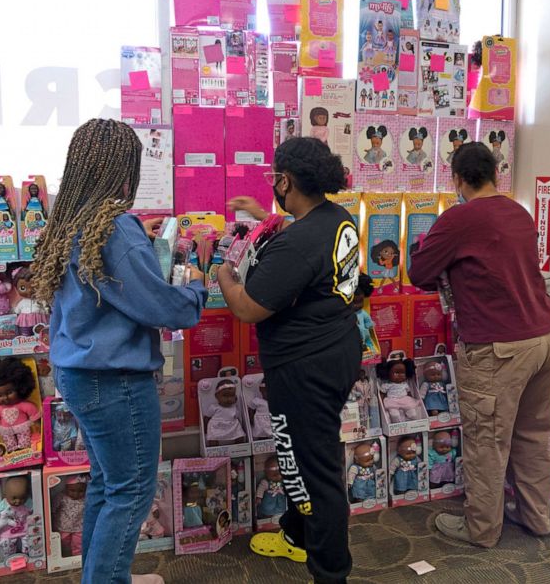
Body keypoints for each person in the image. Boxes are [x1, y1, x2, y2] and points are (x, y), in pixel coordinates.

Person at [32, 118, 207, 584]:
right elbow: (161, 306)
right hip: (114, 380)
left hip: (78, 372)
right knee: (131, 490)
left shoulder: (71, 220)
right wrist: (198, 289)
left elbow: (108, 285)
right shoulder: (114, 228)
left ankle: (104, 578)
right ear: (125, 168)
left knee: (108, 485)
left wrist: (140, 246)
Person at [407, 141, 550, 548]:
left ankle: (481, 529)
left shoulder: (460, 218)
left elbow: (420, 271)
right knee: (533, 435)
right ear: (496, 174)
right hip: (546, 338)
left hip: (499, 348)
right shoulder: (520, 213)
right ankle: (536, 517)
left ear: (458, 179)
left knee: (487, 443)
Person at [219, 137, 360, 584]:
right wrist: (264, 220)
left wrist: (224, 273)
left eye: (273, 180)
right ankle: (297, 535)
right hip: (335, 351)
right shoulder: (338, 219)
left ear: (285, 180)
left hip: (303, 367)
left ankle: (330, 573)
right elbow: (307, 251)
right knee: (301, 455)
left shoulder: (298, 242)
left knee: (315, 471)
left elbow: (247, 308)